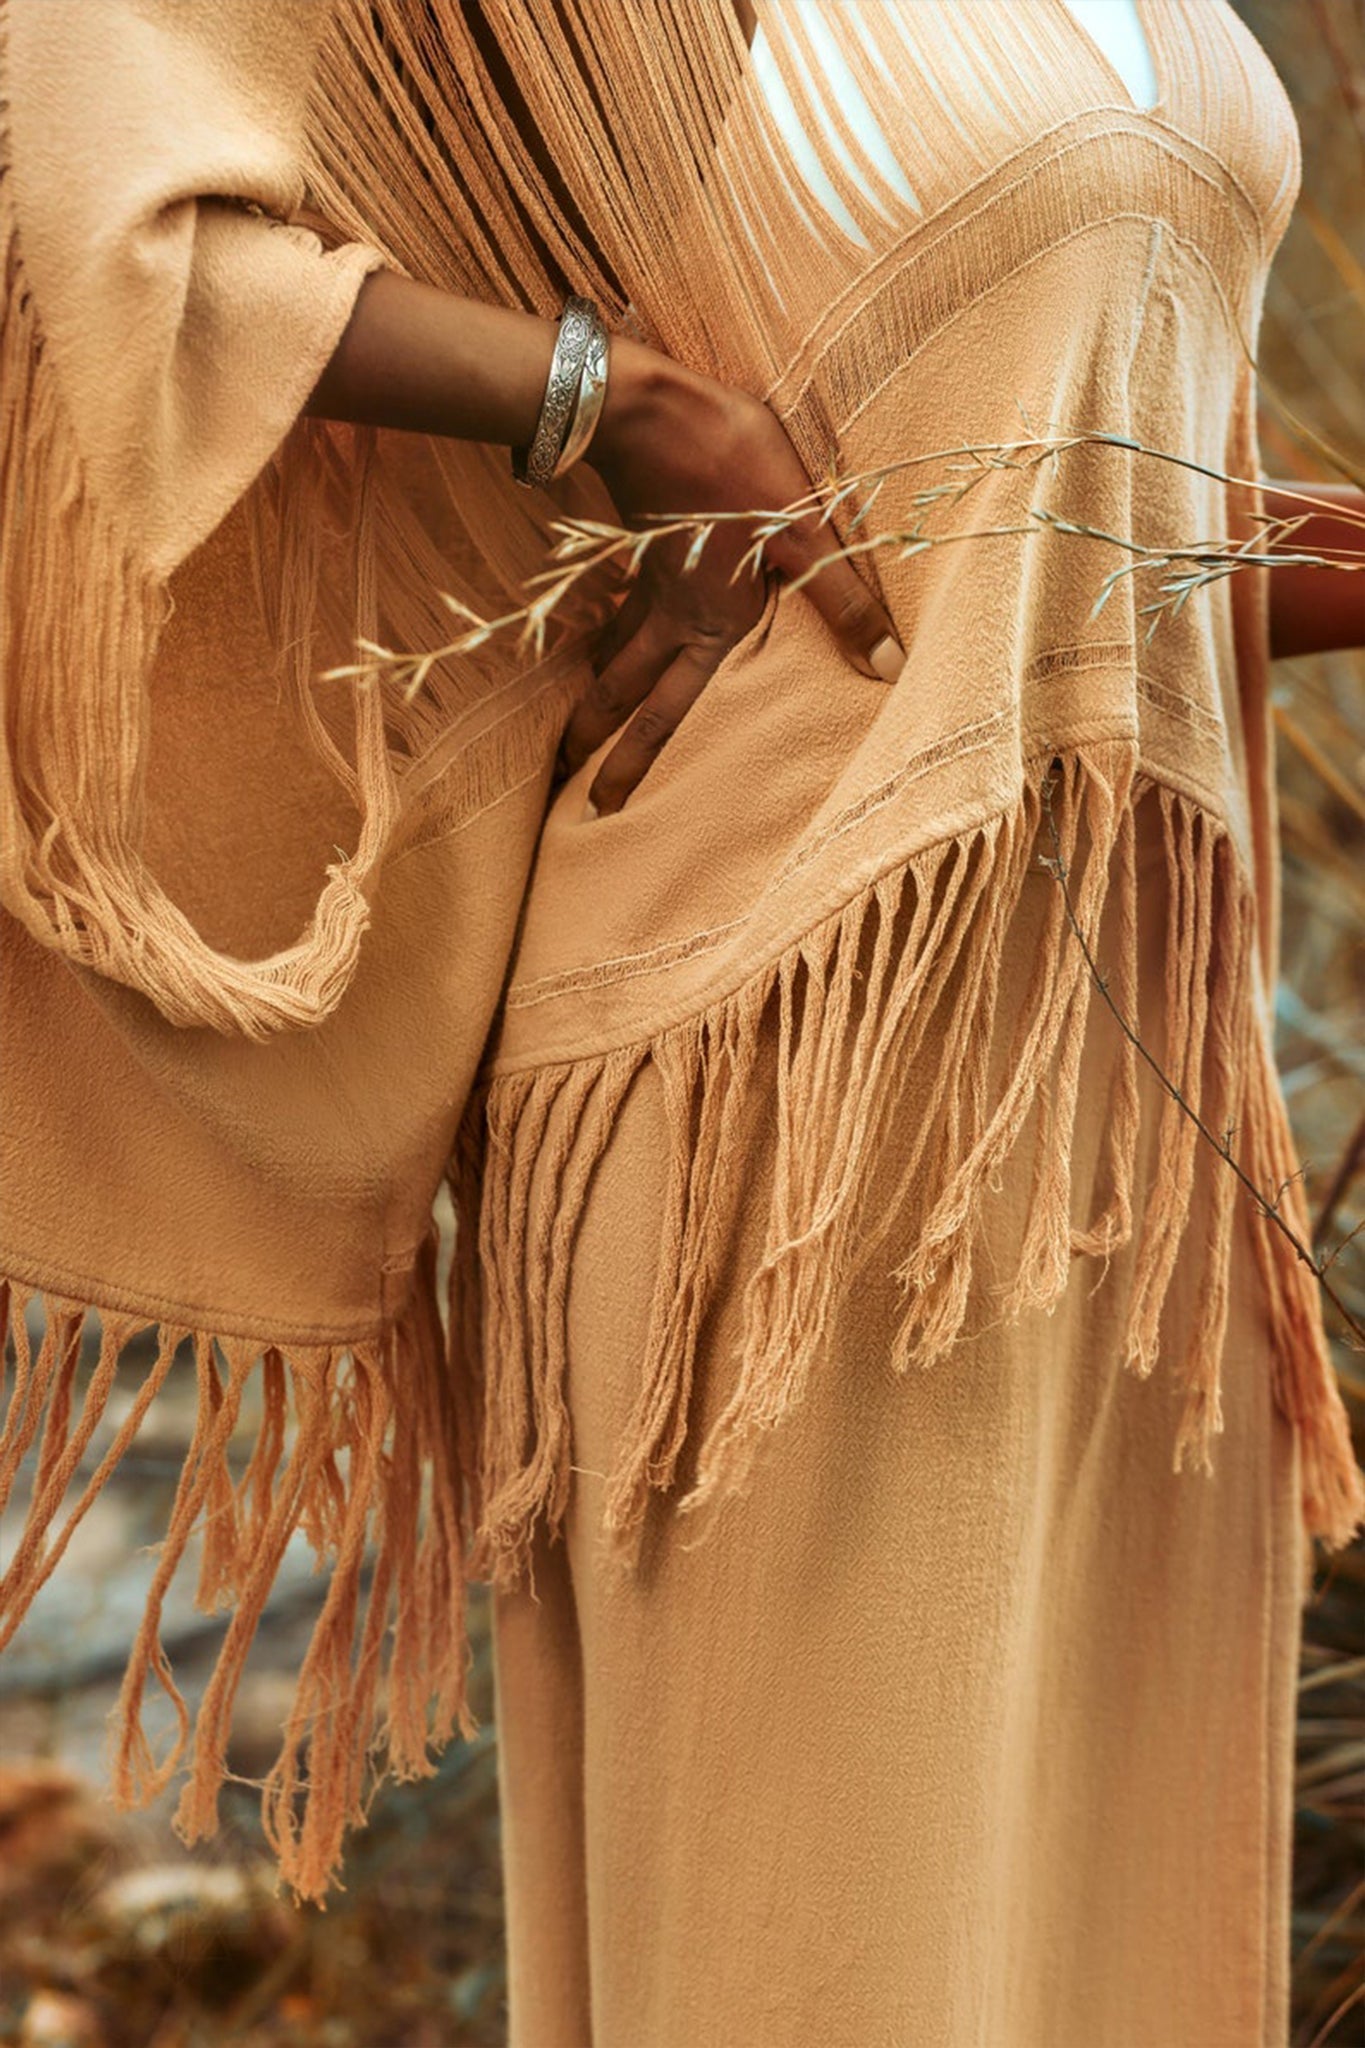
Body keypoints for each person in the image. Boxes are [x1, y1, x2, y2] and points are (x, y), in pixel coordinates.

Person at [0, 2, 1361, 2042]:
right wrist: (603, 397)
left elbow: (1051, 531)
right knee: (810, 1961)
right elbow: (87, 209)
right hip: (771, 1064)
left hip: (1107, 1084)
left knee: (1095, 1949)